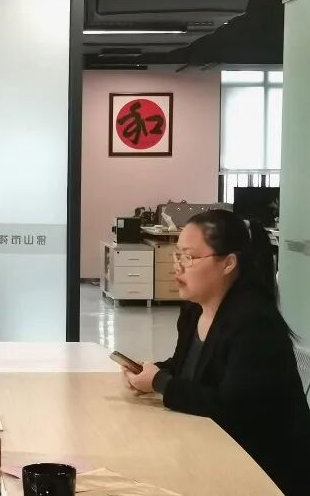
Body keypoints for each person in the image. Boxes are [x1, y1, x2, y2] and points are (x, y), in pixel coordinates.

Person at [123, 209, 310, 495]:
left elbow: (231, 410)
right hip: (213, 453)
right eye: (177, 256)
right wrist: (153, 372)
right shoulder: (194, 310)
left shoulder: (254, 323)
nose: (178, 267)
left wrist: (161, 383)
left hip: (265, 472)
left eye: (189, 257)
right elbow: (187, 367)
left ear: (228, 263)